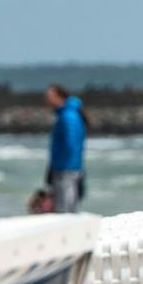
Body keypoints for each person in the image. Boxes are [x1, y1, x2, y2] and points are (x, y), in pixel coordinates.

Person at [43, 84, 86, 213]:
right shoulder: (67, 114)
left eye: (50, 97)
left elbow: (71, 142)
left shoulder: (68, 116)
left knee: (65, 203)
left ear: (59, 97)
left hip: (67, 166)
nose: (47, 100)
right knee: (64, 200)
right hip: (64, 165)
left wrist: (63, 162)